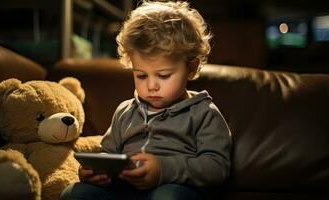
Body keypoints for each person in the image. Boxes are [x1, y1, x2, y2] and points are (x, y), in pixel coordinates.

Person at [60, 1, 232, 199]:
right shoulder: (125, 111)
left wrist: (162, 170)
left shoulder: (203, 112)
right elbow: (108, 153)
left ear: (191, 68)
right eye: (141, 76)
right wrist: (96, 171)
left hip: (172, 189)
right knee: (74, 193)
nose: (151, 86)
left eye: (164, 75)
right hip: (121, 191)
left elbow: (217, 167)